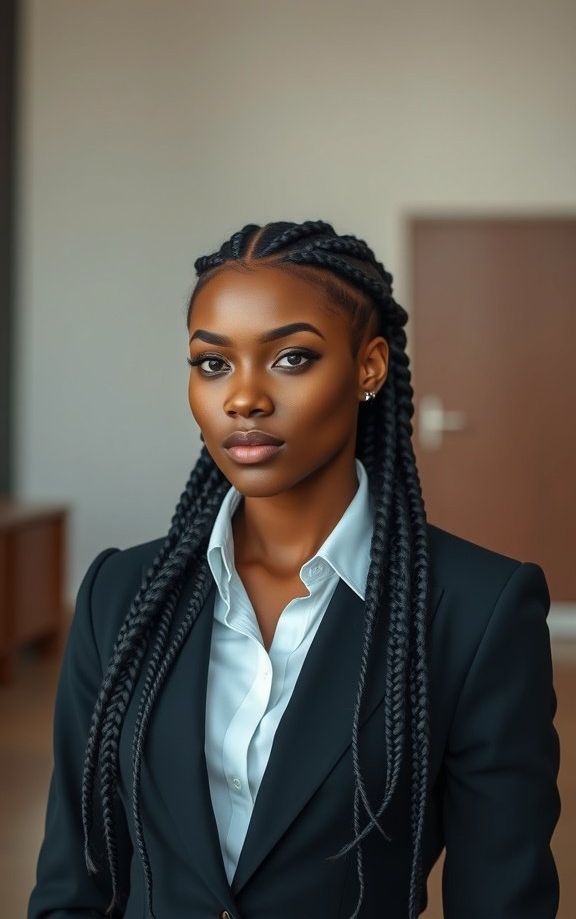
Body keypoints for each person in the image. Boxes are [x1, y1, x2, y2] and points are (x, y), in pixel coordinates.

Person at [29, 219, 560, 919]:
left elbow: (501, 896)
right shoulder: (119, 595)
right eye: (213, 363)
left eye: (291, 358)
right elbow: (74, 883)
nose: (243, 398)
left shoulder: (476, 609)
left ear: (369, 367)